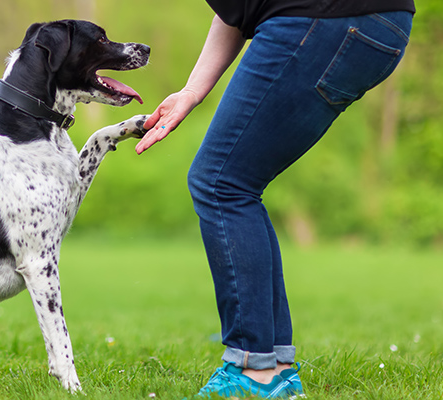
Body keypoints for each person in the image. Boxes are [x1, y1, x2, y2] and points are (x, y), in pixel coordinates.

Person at [136, 1, 415, 398]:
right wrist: (192, 91)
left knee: (220, 183)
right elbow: (238, 10)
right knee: (237, 184)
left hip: (322, 18)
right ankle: (277, 369)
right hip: (383, 26)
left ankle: (252, 370)